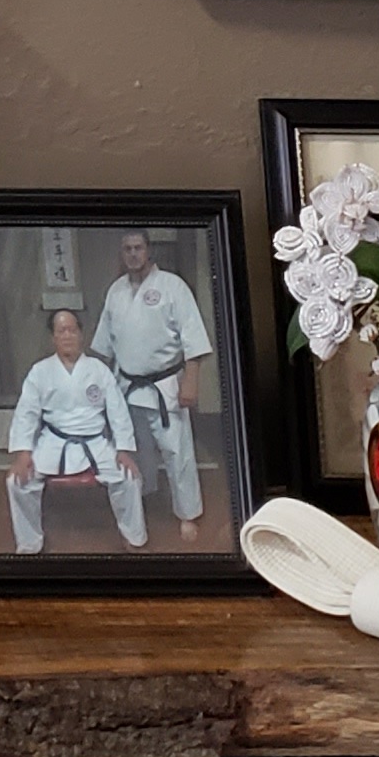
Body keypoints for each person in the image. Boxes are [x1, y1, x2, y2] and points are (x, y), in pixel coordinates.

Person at [89, 226, 214, 532]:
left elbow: (193, 338)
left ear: (149, 250)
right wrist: (100, 388)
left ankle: (188, 514)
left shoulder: (172, 287)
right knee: (135, 447)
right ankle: (144, 494)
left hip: (164, 386)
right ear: (122, 254)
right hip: (126, 386)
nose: (133, 254)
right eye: (127, 249)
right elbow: (104, 346)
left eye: (138, 248)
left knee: (176, 451)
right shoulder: (116, 291)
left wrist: (191, 380)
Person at [2, 306, 144, 552]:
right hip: (53, 442)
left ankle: (134, 538)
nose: (67, 335)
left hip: (95, 442)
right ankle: (29, 543)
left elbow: (118, 412)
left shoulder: (98, 370)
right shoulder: (40, 372)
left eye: (72, 330)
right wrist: (23, 453)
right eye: (61, 331)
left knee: (129, 478)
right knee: (17, 482)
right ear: (53, 337)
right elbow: (26, 413)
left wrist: (123, 449)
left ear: (81, 334)